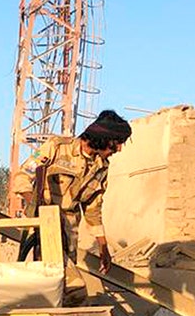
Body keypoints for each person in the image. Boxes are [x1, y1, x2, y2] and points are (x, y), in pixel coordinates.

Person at [11, 109, 133, 299]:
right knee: (68, 286)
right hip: (44, 224)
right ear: (103, 138)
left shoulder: (101, 167)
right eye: (117, 143)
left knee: (60, 286)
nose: (119, 149)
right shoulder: (57, 147)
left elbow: (93, 210)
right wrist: (35, 205)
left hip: (70, 229)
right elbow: (23, 175)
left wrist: (103, 247)